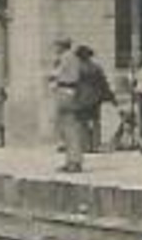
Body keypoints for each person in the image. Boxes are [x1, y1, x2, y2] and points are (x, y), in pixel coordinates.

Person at [73, 46, 115, 157]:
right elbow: (103, 83)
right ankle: (96, 144)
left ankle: (85, 145)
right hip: (95, 97)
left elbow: (73, 84)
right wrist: (110, 96)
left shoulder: (77, 68)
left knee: (83, 122)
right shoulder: (96, 68)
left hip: (81, 98)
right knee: (96, 121)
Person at [49, 38, 83, 172]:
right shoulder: (68, 57)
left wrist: (55, 78)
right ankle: (71, 160)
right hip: (64, 92)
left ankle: (74, 161)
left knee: (70, 128)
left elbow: (62, 75)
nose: (55, 48)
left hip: (67, 93)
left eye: (57, 45)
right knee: (65, 129)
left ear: (62, 46)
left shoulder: (67, 58)